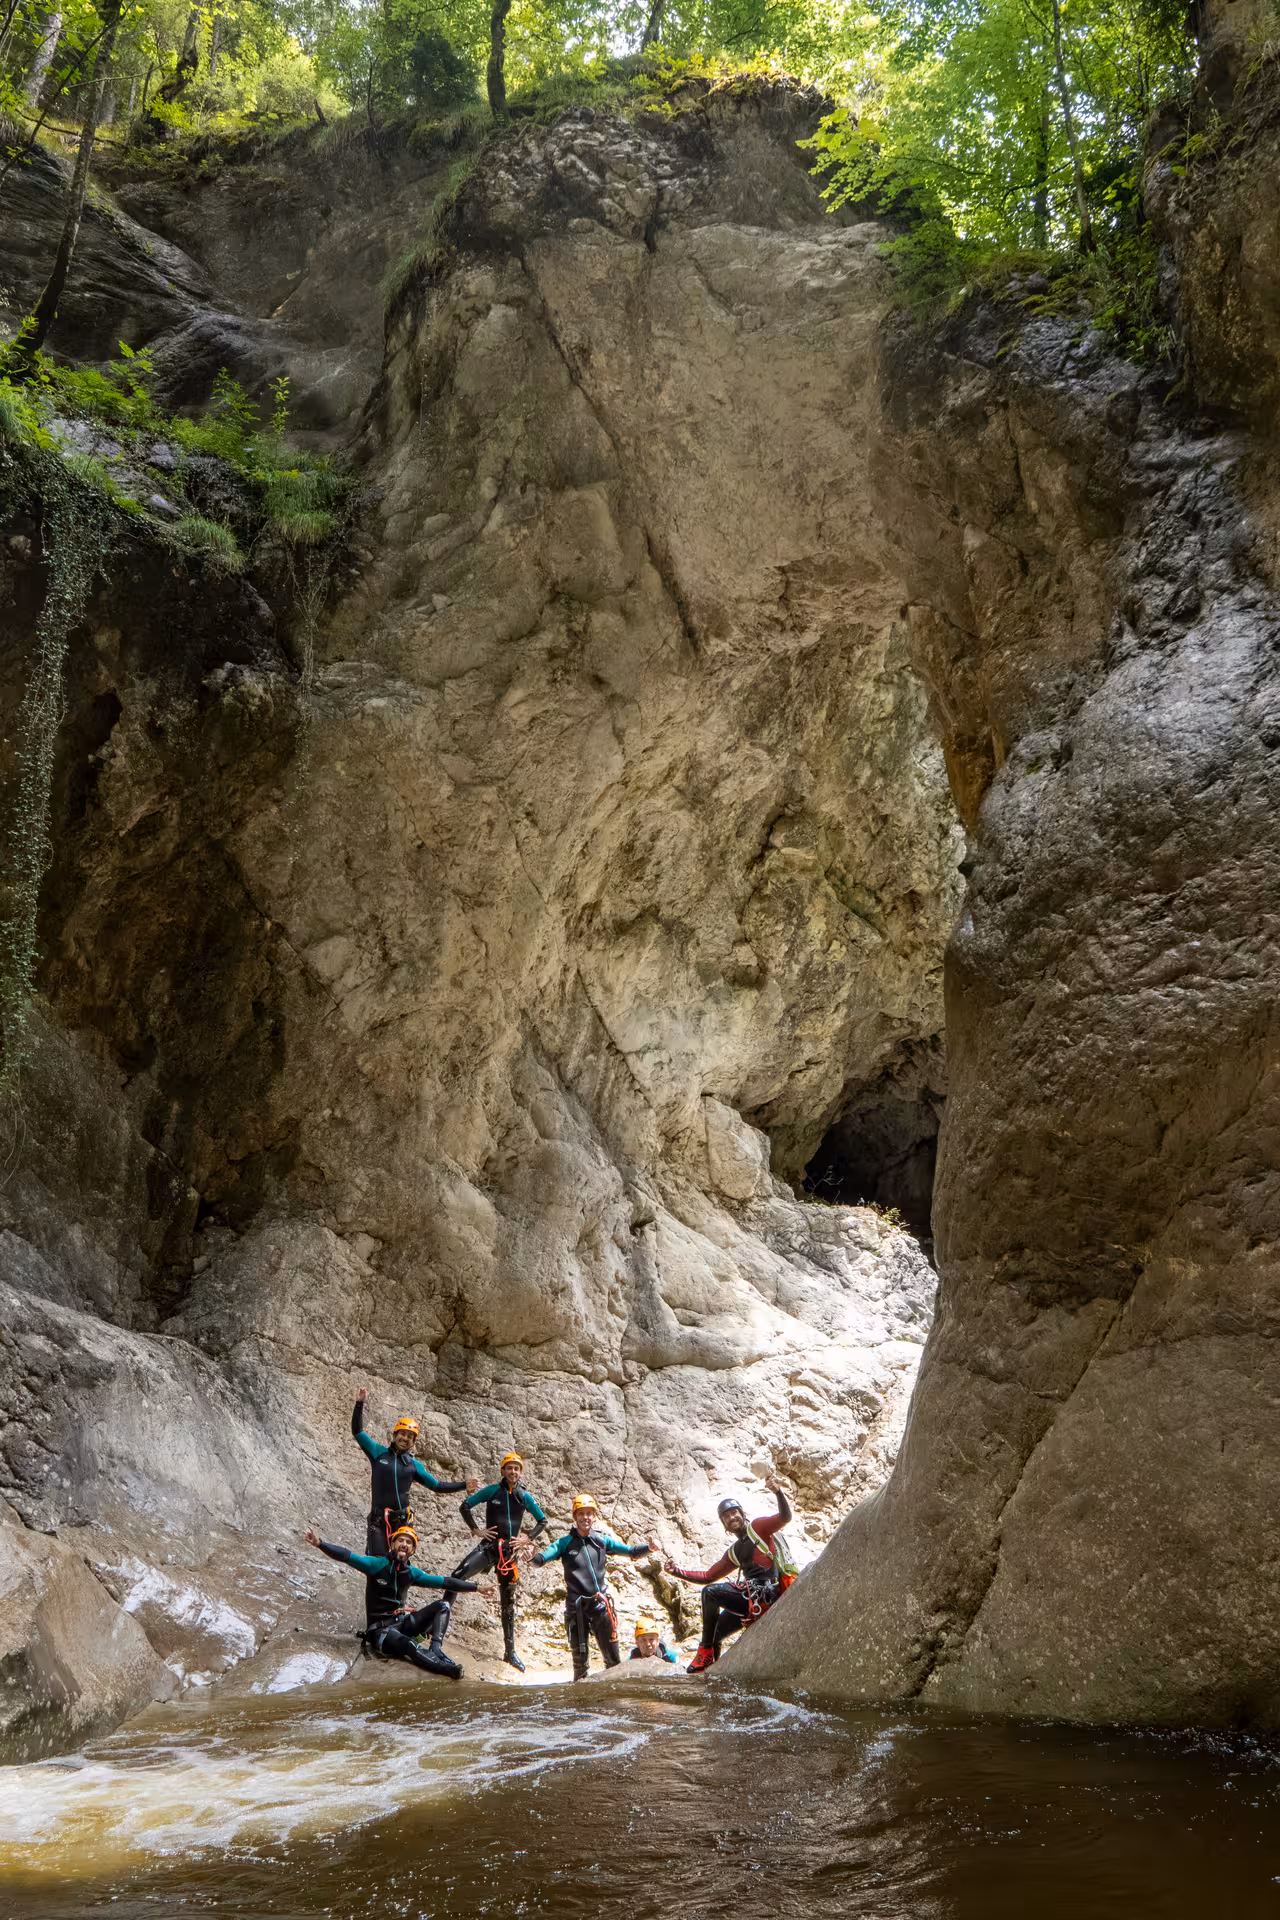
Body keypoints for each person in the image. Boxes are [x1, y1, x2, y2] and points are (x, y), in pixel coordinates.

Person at [302, 1522, 489, 1680]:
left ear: (413, 1550)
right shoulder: (376, 1565)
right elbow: (347, 1556)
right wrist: (320, 1543)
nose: (404, 1544)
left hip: (402, 1623)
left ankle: (436, 1649)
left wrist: (476, 1587)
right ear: (392, 1544)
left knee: (443, 1605)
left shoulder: (412, 1574)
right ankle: (447, 1670)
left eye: (409, 1542)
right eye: (400, 1540)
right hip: (380, 1632)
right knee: (408, 1645)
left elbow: (445, 1582)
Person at [663, 1476, 796, 1673]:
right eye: (726, 1516)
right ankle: (710, 1669)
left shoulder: (758, 1528)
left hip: (767, 1594)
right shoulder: (734, 1552)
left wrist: (778, 1492)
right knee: (714, 1631)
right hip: (751, 1600)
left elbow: (785, 1518)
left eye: (734, 1513)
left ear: (742, 1514)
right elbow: (708, 1576)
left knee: (710, 1593)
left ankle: (704, 1652)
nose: (732, 1517)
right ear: (723, 1524)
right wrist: (677, 1572)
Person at [531, 1493, 660, 1680]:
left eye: (589, 1513)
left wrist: (649, 1548)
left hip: (601, 1607)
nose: (586, 1517)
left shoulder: (601, 1540)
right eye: (581, 1513)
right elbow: (541, 1560)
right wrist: (530, 1557)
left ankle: (614, 1706)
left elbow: (630, 1551)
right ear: (574, 1516)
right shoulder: (565, 1543)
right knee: (580, 1667)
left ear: (594, 1516)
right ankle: (581, 1705)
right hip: (577, 1610)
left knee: (613, 1662)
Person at [351, 1386, 478, 1556]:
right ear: (395, 1435)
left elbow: (437, 1486)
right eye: (402, 1434)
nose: (405, 1438)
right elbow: (358, 1432)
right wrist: (359, 1403)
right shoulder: (377, 1452)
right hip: (379, 1520)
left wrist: (464, 1485)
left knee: (400, 1562)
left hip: (403, 1521)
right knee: (377, 1563)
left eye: (410, 1436)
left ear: (413, 1441)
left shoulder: (413, 1465)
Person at [452, 1452, 548, 1673]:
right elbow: (465, 1506)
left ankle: (510, 1652)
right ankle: (434, 1633)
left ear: (520, 1472)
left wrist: (527, 1538)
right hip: (488, 1548)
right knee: (457, 1576)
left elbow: (542, 1520)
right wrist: (477, 1530)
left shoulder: (524, 1496)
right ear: (503, 1471)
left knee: (508, 1603)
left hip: (510, 1553)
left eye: (517, 1468)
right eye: (509, 1468)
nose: (513, 1472)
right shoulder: (491, 1491)